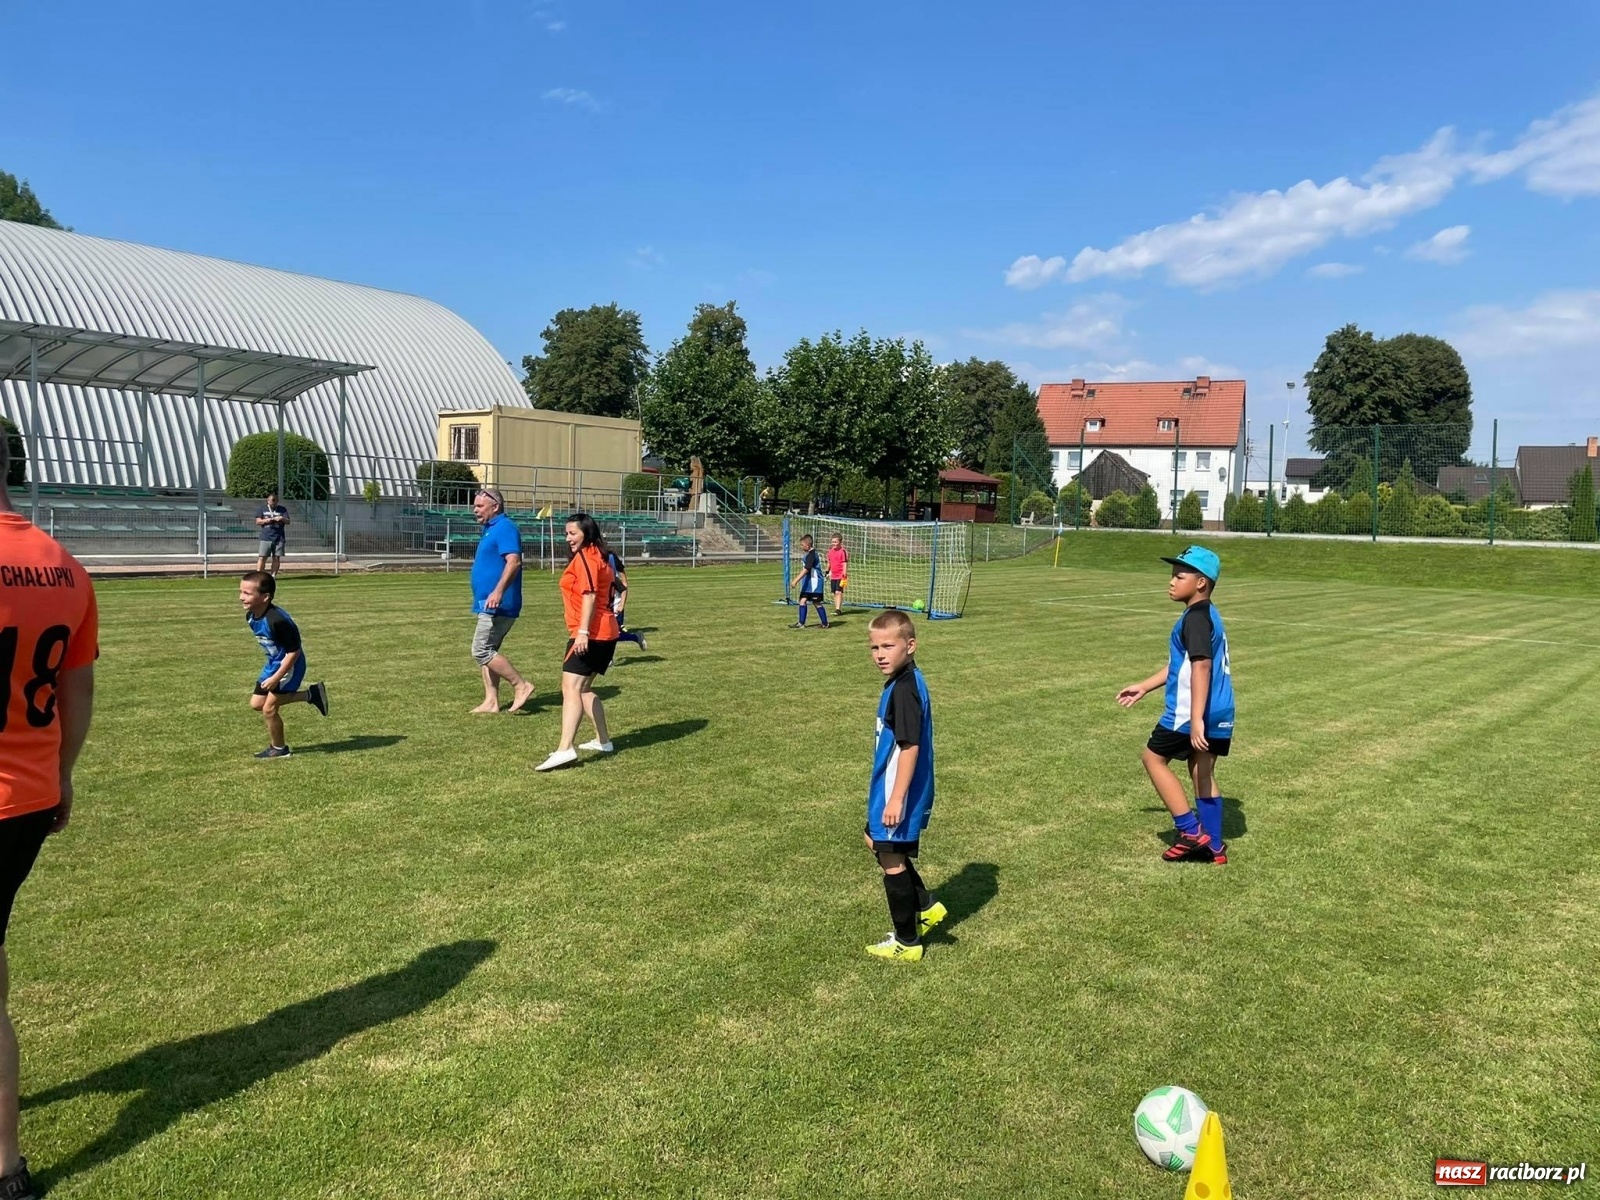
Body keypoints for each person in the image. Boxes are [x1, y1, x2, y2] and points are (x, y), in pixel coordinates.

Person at [0, 434, 98, 1200]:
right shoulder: (62, 563)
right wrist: (61, 774)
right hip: (29, 797)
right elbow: (77, 691)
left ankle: (6, 1168)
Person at [1116, 545, 1234, 864]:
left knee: (1153, 759)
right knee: (1201, 772)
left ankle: (1191, 831)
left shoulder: (1195, 618)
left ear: (1201, 583)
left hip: (1190, 710)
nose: (1171, 582)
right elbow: (1181, 665)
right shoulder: (1209, 614)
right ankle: (1214, 848)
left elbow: (1201, 667)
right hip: (1220, 708)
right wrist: (1144, 686)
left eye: (1179, 577)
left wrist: (1195, 719)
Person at [862, 609, 946, 963]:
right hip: (892, 788)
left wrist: (896, 798)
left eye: (888, 646)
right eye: (874, 647)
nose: (880, 654)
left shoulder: (905, 690)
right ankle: (925, 905)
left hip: (898, 790)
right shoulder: (905, 681)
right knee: (874, 840)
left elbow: (910, 747)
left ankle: (907, 941)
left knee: (891, 859)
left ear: (910, 646)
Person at [536, 513, 622, 771]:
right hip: (605, 632)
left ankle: (565, 749)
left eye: (572, 533)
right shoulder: (599, 556)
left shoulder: (587, 557)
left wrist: (582, 632)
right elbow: (617, 587)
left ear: (587, 533)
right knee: (583, 689)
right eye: (566, 533)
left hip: (592, 633)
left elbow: (590, 595)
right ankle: (603, 741)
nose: (568, 538)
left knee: (571, 688)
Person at [241, 571, 328, 758]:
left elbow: (294, 652)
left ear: (265, 597)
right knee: (257, 704)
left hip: (290, 666)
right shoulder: (251, 616)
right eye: (241, 592)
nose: (241, 597)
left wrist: (276, 677)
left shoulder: (278, 621)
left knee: (269, 709)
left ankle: (279, 749)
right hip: (274, 664)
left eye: (247, 593)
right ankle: (312, 694)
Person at [468, 488, 535, 715]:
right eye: (475, 505)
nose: (475, 509)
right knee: (490, 650)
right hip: (487, 602)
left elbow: (513, 562)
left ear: (495, 506)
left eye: (479, 506)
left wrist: (497, 592)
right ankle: (491, 701)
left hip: (498, 603)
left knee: (481, 650)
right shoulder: (490, 529)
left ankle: (521, 685)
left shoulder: (505, 527)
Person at [602, 546, 648, 651]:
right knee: (608, 633)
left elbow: (622, 581)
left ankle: (634, 637)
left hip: (616, 600)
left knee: (612, 633)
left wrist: (621, 604)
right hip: (605, 601)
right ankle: (635, 637)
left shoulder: (610, 559)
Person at [787, 533, 829, 628]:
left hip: (815, 583)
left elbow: (806, 569)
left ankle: (825, 623)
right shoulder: (808, 554)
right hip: (808, 583)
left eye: (802, 545)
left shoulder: (812, 555)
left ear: (808, 545)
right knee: (802, 601)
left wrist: (795, 580)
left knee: (816, 602)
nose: (801, 547)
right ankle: (801, 623)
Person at [254, 491, 290, 575]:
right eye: (271, 503)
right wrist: (268, 520)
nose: (273, 505)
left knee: (276, 558)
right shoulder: (262, 509)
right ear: (268, 501)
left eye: (275, 503)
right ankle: (259, 575)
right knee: (262, 557)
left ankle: (273, 576)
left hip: (279, 537)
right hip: (266, 537)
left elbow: (288, 521)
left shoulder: (282, 509)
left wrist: (281, 518)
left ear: (277, 501)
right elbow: (258, 521)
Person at [827, 533, 849, 616]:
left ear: (840, 542)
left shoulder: (843, 551)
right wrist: (827, 571)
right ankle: (836, 608)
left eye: (835, 542)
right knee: (834, 592)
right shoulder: (830, 551)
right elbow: (829, 562)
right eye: (833, 542)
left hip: (841, 575)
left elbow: (845, 563)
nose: (834, 544)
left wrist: (844, 573)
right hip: (833, 576)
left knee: (838, 592)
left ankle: (838, 610)